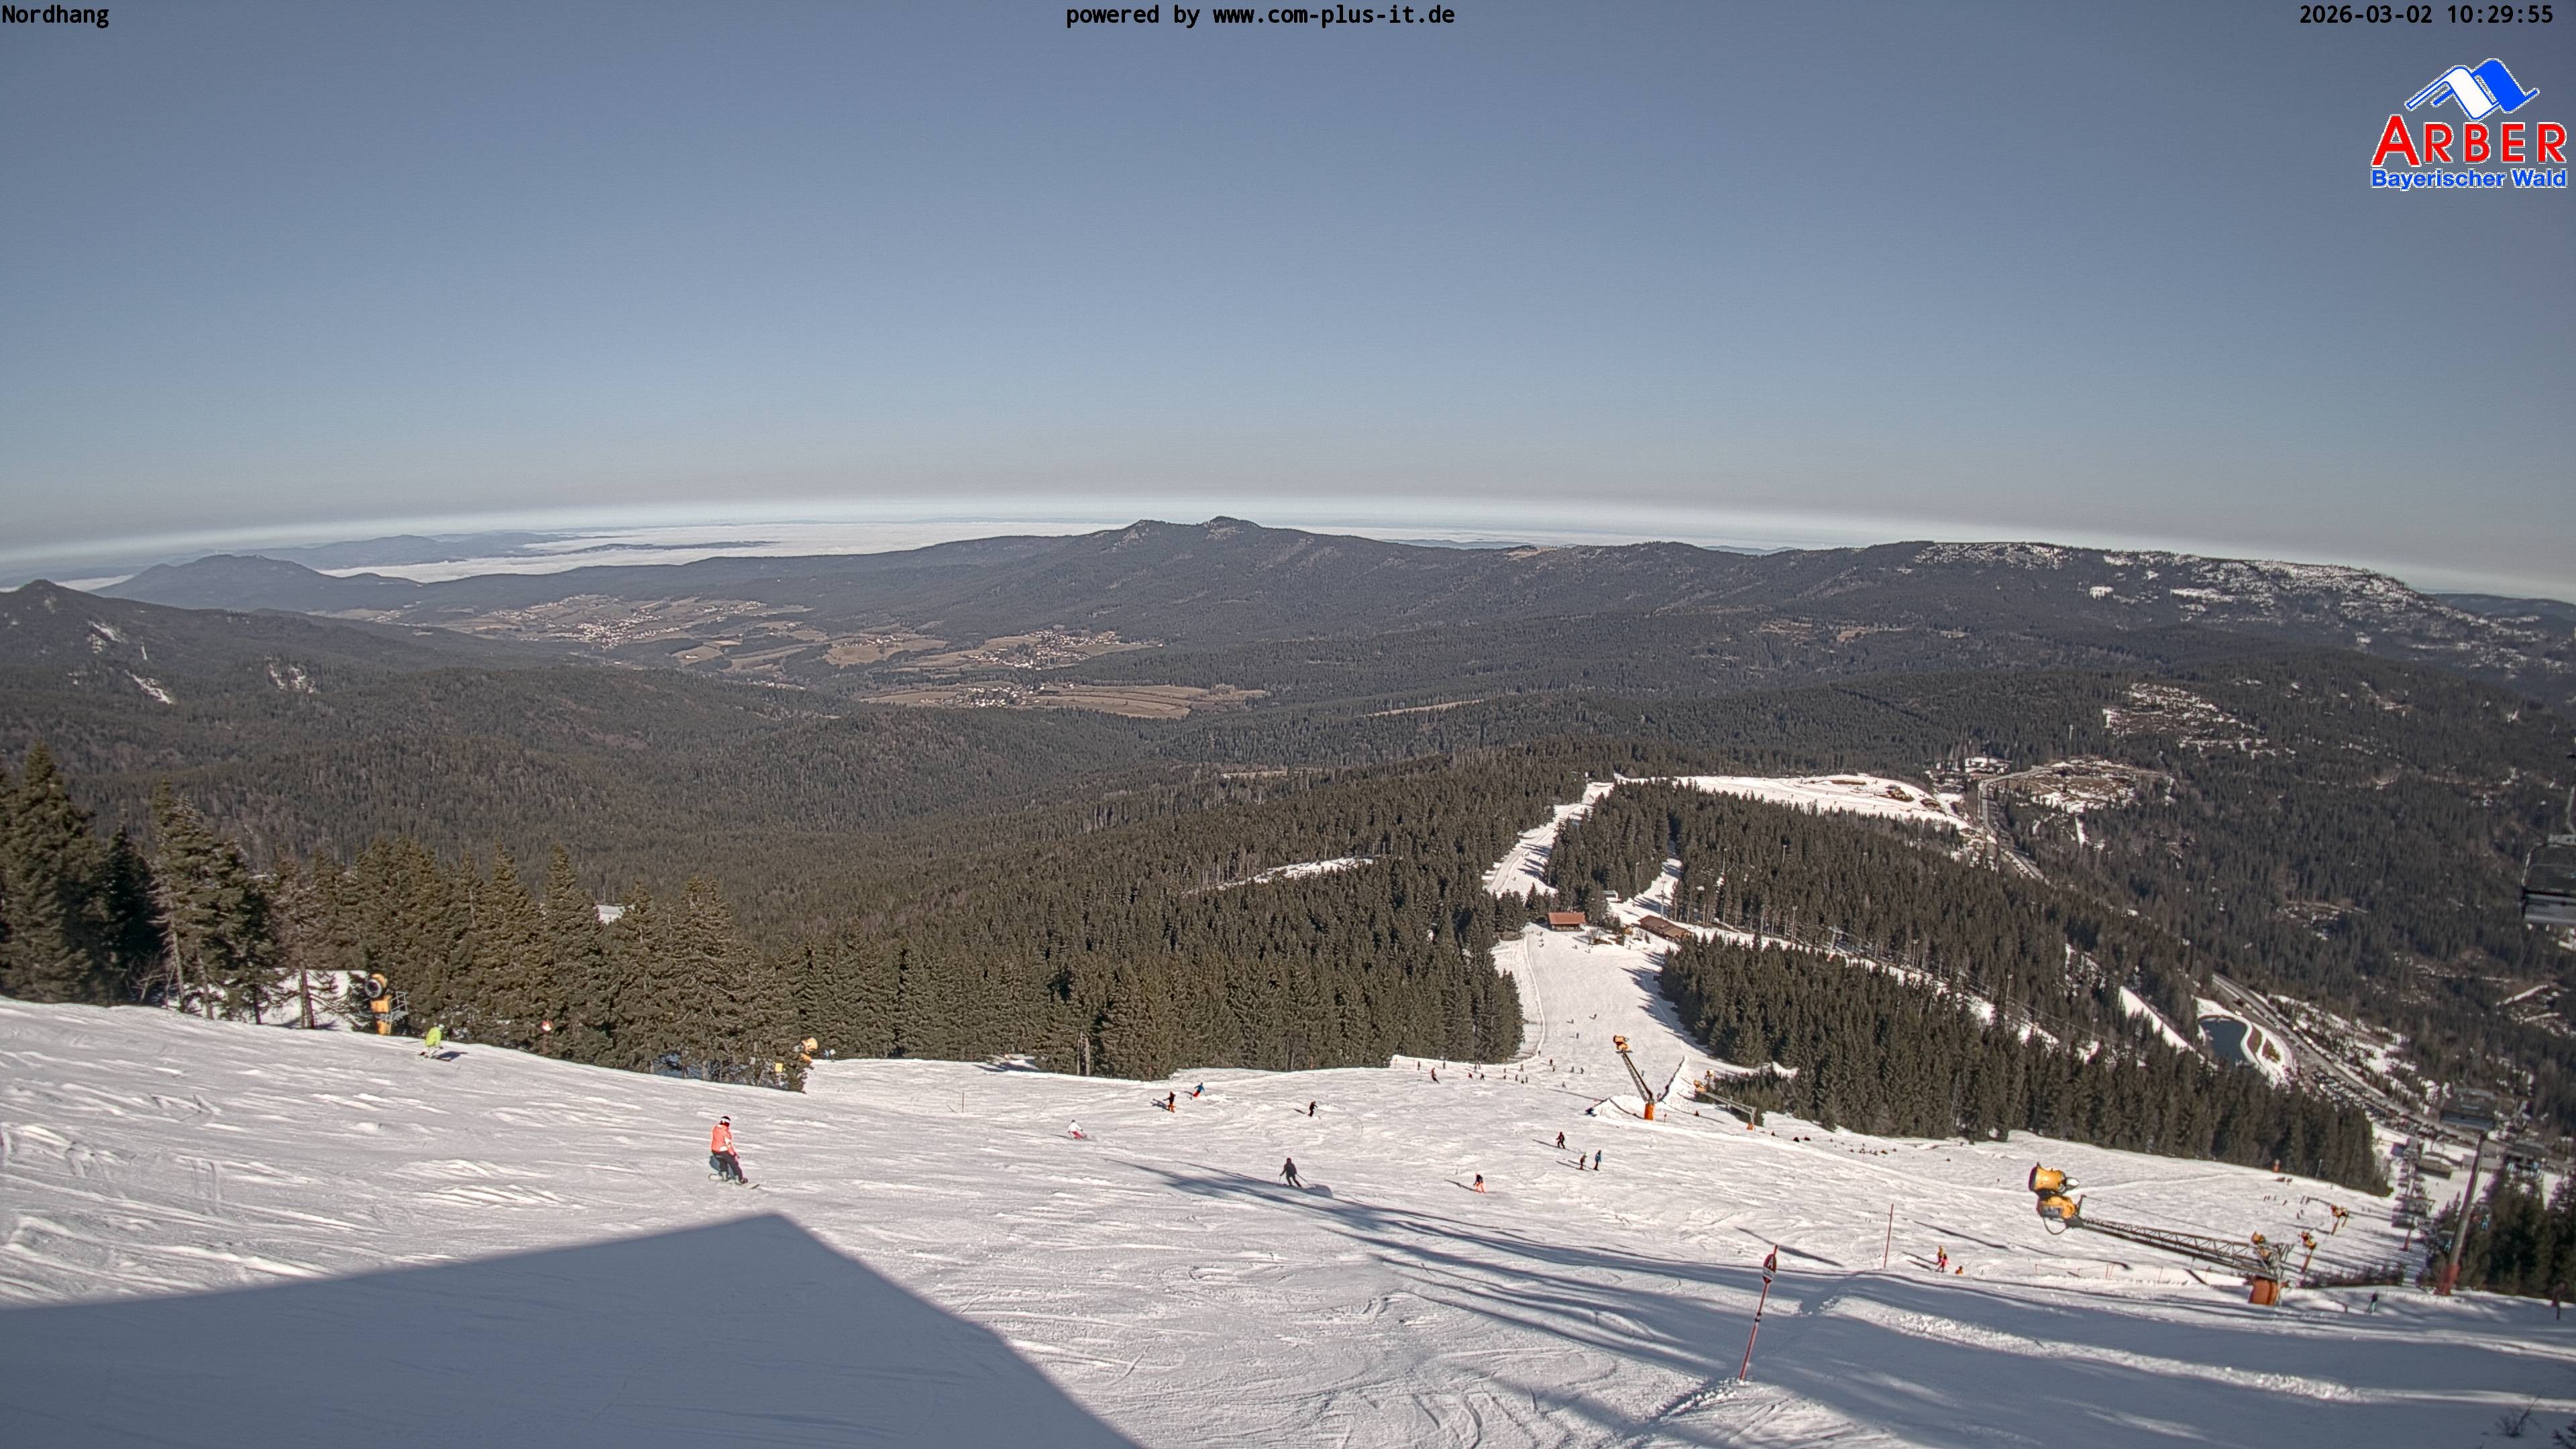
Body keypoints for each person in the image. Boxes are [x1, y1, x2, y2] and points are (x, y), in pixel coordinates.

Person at [709, 1116, 745, 1184]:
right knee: (734, 1164)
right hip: (723, 1151)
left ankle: (724, 1176)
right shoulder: (726, 1133)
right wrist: (734, 1154)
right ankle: (740, 1180)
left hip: (715, 1151)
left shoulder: (715, 1129)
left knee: (723, 1163)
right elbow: (729, 1145)